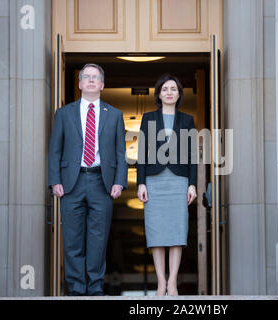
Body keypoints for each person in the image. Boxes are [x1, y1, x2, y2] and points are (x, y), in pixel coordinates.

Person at [48, 63, 128, 296]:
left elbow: (121, 152)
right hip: (71, 183)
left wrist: (119, 181)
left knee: (98, 238)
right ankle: (75, 288)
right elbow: (55, 150)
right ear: (80, 83)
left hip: (101, 182)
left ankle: (94, 287)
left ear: (102, 85)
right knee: (72, 238)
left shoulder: (114, 115)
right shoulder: (64, 113)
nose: (91, 80)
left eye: (96, 77)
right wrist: (55, 181)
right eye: (87, 77)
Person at [137, 74, 197, 296]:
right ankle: (160, 282)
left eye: (173, 89)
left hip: (178, 181)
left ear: (179, 94)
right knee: (157, 234)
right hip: (154, 181)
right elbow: (142, 152)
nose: (169, 92)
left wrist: (192, 184)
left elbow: (192, 156)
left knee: (177, 232)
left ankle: (173, 283)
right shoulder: (148, 118)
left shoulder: (188, 120)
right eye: (165, 89)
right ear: (159, 94)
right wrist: (140, 182)